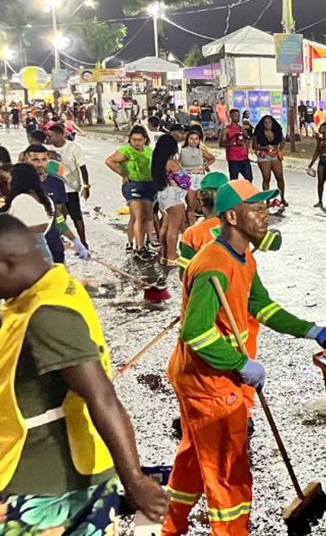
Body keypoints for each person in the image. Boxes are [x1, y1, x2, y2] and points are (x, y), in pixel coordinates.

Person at [162, 179, 326, 535]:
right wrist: (239, 364)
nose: (266, 216)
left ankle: (171, 527)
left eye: (266, 208)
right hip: (208, 383)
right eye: (257, 209)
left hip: (205, 376)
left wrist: (312, 330)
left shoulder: (243, 256)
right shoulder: (213, 265)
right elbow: (195, 332)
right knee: (227, 470)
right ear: (232, 216)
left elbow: (261, 306)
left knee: (194, 458)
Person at [0, 214, 170, 534]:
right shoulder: (42, 291)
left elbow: (101, 396)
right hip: (36, 473)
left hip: (50, 486)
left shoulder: (47, 316)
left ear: (7, 263)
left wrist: (134, 479)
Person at [106, 127, 158, 261]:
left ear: (145, 140)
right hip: (133, 185)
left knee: (142, 217)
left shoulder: (148, 150)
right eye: (134, 140)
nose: (137, 143)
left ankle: (132, 243)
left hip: (149, 185)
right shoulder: (126, 150)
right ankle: (139, 247)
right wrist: (123, 174)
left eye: (140, 140)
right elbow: (109, 161)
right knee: (139, 216)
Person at [44, 123, 90, 246]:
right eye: (47, 136)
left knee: (76, 216)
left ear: (60, 136)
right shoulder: (46, 150)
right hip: (54, 189)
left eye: (51, 136)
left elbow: (83, 167)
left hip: (71, 188)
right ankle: (59, 239)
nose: (48, 138)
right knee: (59, 216)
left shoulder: (73, 148)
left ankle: (83, 242)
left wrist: (86, 185)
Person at [153, 134, 191, 267]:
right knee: (174, 228)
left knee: (165, 226)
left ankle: (163, 255)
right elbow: (185, 183)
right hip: (174, 196)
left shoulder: (157, 161)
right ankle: (172, 256)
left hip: (163, 195)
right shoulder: (172, 163)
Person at [251, 116, 287, 209]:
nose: (267, 124)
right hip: (264, 155)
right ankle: (267, 200)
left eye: (269, 122)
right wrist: (264, 148)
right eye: (265, 122)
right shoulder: (258, 133)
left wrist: (280, 149)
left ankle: (282, 198)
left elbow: (283, 140)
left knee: (280, 177)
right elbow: (254, 146)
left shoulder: (277, 131)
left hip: (275, 154)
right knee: (266, 178)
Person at [309, 121, 326, 210]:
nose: (320, 128)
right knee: (320, 181)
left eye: (322, 127)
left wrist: (318, 140)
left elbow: (321, 146)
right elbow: (317, 152)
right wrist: (311, 164)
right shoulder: (321, 139)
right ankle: (320, 201)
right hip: (322, 159)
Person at [219, 109, 251, 182]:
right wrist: (234, 143)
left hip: (244, 157)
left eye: (238, 116)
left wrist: (247, 150)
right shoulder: (226, 129)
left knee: (249, 178)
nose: (237, 117)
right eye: (235, 116)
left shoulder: (242, 128)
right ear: (231, 116)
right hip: (233, 158)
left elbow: (248, 139)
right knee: (234, 180)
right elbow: (221, 143)